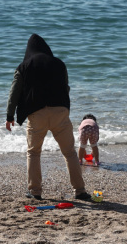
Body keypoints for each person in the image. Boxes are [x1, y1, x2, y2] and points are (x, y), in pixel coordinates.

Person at [5, 34, 89, 201]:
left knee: (34, 153)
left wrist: (9, 115)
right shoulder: (59, 64)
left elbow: (14, 91)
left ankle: (35, 191)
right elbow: (66, 88)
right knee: (70, 153)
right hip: (60, 112)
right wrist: (63, 109)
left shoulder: (24, 66)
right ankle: (80, 191)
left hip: (37, 114)